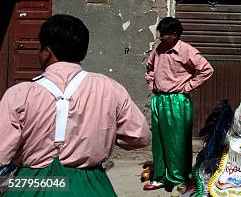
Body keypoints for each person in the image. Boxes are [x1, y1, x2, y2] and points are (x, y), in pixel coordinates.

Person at [0, 14, 151, 196]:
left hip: (30, 184)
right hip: (90, 184)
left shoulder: (19, 93)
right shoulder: (110, 88)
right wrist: (104, 135)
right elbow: (140, 137)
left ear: (46, 52)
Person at [144, 17, 214, 192]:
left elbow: (207, 70)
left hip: (177, 101)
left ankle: (179, 178)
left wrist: (188, 87)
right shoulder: (158, 50)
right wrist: (152, 83)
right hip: (159, 100)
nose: (160, 37)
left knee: (177, 142)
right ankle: (160, 176)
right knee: (159, 141)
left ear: (174, 35)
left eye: (164, 34)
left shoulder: (187, 51)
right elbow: (150, 68)